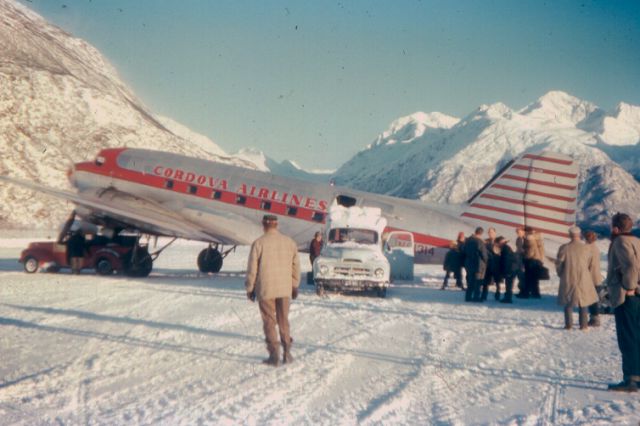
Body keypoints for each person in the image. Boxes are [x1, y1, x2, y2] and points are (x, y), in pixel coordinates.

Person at [246, 215, 301, 367]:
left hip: (266, 288)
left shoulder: (258, 243)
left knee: (269, 322)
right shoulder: (289, 242)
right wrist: (294, 285)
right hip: (284, 288)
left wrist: (250, 288)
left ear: (263, 225)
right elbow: (296, 266)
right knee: (284, 321)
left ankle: (274, 355)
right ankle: (287, 353)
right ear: (277, 225)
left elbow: (252, 269)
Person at [606, 213, 640, 392]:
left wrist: (629, 286)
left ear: (616, 228)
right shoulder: (637, 241)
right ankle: (637, 375)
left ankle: (631, 379)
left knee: (627, 337)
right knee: (636, 336)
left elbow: (631, 266)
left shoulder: (620, 241)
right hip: (637, 296)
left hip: (626, 296)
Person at [555, 226, 598, 330]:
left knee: (568, 300)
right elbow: (590, 264)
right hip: (584, 277)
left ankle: (568, 325)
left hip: (568, 277)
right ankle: (583, 325)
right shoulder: (586, 248)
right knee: (583, 301)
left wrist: (562, 274)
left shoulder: (564, 248)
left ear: (570, 235)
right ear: (579, 234)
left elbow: (559, 264)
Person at [518, 226, 545, 299]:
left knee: (528, 278)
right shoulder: (536, 238)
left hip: (531, 261)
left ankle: (527, 293)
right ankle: (535, 293)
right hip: (537, 260)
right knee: (534, 279)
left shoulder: (529, 239)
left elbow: (530, 251)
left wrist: (524, 254)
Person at [584, 230, 603, 327]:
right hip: (597, 277)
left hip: (590, 277)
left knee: (590, 299)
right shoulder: (596, 248)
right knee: (595, 298)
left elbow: (585, 264)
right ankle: (595, 317)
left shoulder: (586, 249)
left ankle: (594, 319)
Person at [464, 227, 488, 302]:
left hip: (469, 263)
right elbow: (484, 254)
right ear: (481, 233)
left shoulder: (468, 241)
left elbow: (464, 250)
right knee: (478, 281)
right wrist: (486, 261)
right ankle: (476, 297)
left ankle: (468, 297)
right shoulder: (479, 242)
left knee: (470, 281)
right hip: (478, 264)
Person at [482, 227, 502, 301]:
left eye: (491, 232)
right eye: (489, 232)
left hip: (496, 264)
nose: (490, 234)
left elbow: (501, 252)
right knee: (485, 281)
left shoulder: (498, 241)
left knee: (497, 282)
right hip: (487, 265)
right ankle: (484, 295)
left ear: (495, 233)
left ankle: (498, 294)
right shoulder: (485, 241)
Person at [496, 236, 518, 304]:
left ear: (500, 242)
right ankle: (507, 297)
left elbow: (506, 261)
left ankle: (508, 298)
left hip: (510, 269)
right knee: (509, 284)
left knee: (509, 285)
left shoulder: (505, 249)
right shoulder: (507, 247)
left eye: (498, 244)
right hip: (512, 268)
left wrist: (506, 271)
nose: (498, 245)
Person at [514, 227, 526, 294]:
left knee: (522, 276)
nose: (518, 234)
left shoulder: (525, 240)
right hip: (519, 260)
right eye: (517, 232)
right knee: (520, 276)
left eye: (519, 232)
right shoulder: (518, 239)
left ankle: (523, 291)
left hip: (523, 260)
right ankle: (521, 291)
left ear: (523, 232)